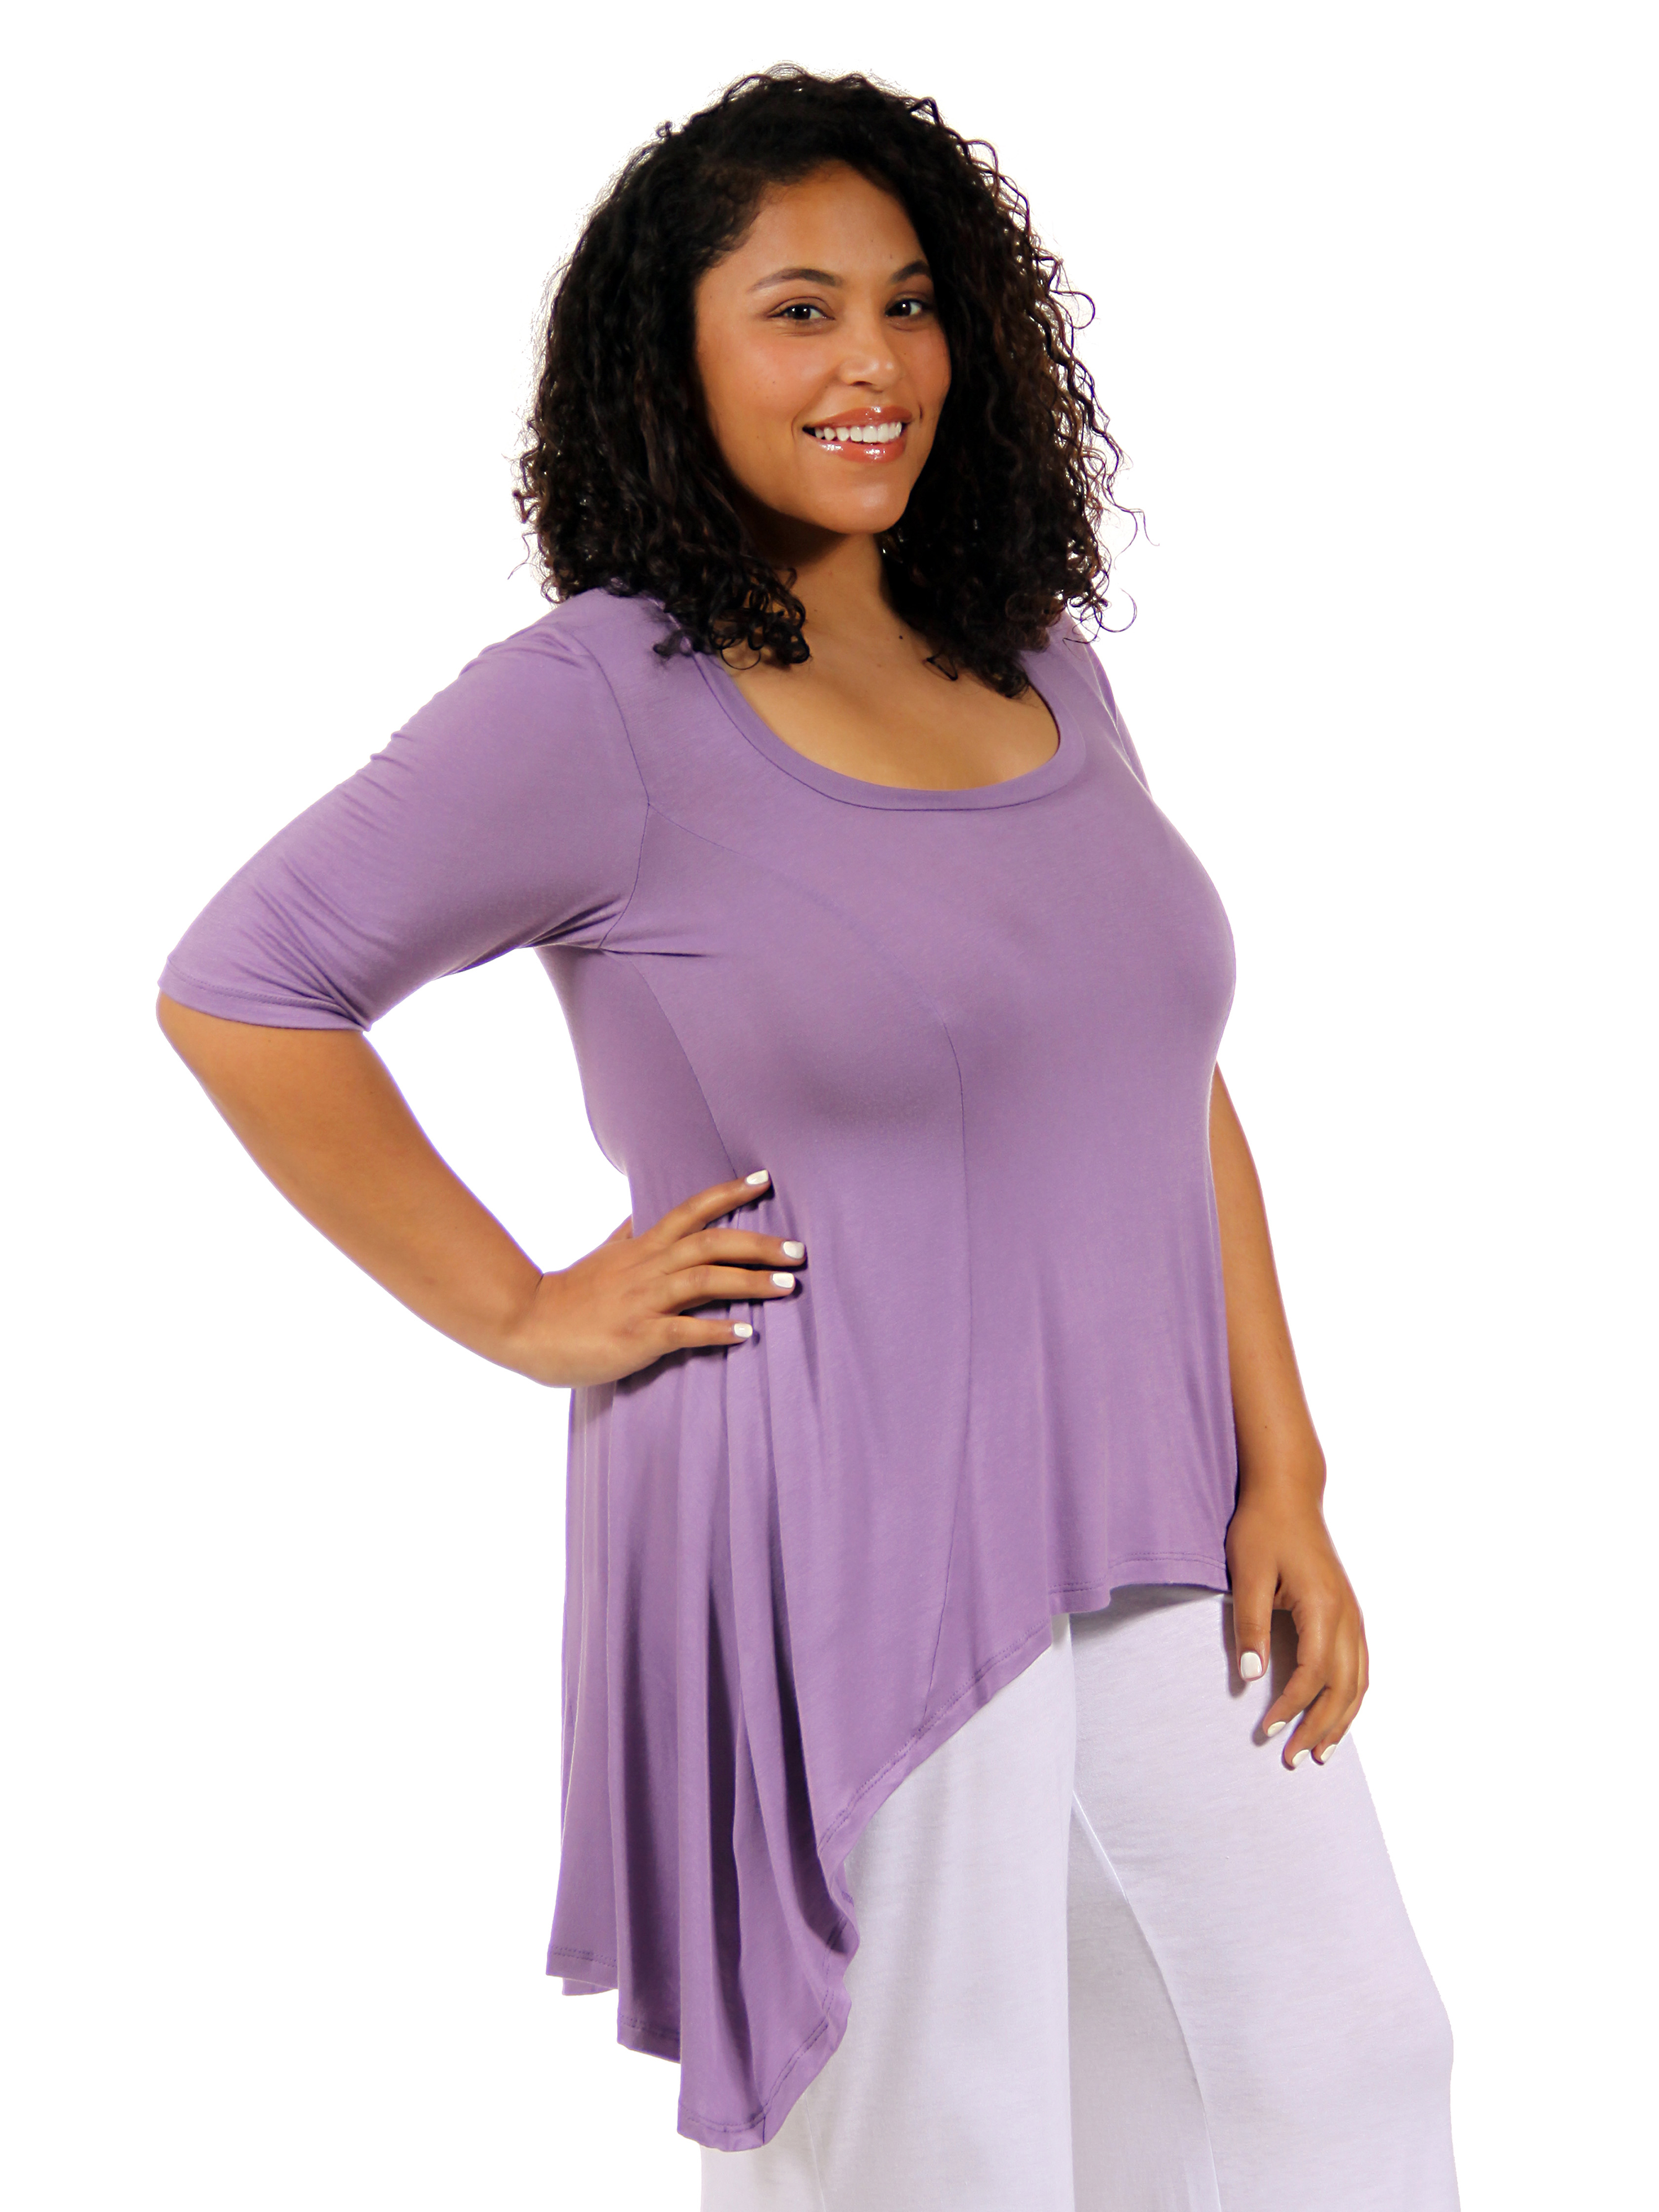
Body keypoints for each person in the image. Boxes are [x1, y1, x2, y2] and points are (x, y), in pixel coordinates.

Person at [156, 64, 1460, 2212]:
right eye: (797, 311)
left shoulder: (1032, 658)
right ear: (669, 361)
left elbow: (1155, 1077)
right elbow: (248, 982)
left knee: (1332, 2061)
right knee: (931, 2147)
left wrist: (1288, 1470)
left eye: (910, 302)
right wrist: (525, 1308)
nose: (874, 363)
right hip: (834, 1510)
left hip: (1154, 1497)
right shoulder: (601, 699)